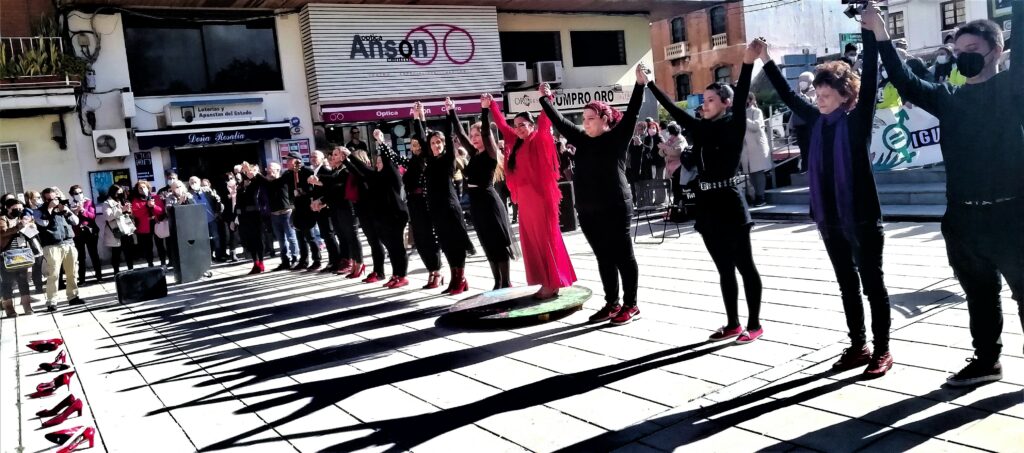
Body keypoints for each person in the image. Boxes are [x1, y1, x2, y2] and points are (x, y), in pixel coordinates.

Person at [866, 2, 1023, 386]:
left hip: (1013, 215)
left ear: (997, 51)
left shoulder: (1012, 89)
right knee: (980, 296)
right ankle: (987, 360)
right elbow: (904, 80)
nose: (963, 58)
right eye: (959, 51)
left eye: (973, 51)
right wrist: (882, 34)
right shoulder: (948, 98)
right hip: (962, 219)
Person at [759, 24, 893, 377]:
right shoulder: (816, 124)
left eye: (826, 92)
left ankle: (882, 349)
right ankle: (858, 345)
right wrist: (766, 60)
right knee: (847, 285)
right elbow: (788, 96)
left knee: (872, 285)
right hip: (829, 219)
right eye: (817, 92)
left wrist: (870, 31)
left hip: (861, 218)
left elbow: (873, 70)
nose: (819, 97)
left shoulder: (857, 119)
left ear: (845, 94)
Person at [650, 42, 765, 344]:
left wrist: (748, 61)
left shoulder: (734, 123)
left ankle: (754, 323)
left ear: (726, 103)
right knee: (724, 269)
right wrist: (648, 83)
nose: (705, 103)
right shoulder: (700, 128)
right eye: (705, 99)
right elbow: (675, 109)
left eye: (712, 99)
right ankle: (732, 323)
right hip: (707, 206)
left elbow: (741, 98)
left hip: (730, 202)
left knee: (744, 266)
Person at [537, 64, 645, 323]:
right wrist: (544, 99)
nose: (584, 123)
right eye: (583, 119)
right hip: (587, 209)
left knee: (623, 256)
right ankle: (611, 302)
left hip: (616, 206)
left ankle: (631, 304)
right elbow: (560, 121)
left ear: (605, 119)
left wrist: (640, 85)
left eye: (590, 119)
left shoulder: (618, 137)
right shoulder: (582, 139)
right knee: (603, 257)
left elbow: (632, 113)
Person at [492, 97, 578, 300]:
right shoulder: (516, 143)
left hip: (540, 200)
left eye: (523, 125)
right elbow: (503, 127)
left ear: (532, 125)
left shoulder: (538, 139)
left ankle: (552, 282)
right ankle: (546, 282)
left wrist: (546, 98)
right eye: (517, 126)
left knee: (545, 240)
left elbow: (545, 120)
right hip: (525, 202)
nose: (519, 129)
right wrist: (493, 107)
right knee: (532, 242)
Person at [449, 96, 515, 290]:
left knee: (497, 244)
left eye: (477, 135)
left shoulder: (491, 153)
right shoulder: (474, 153)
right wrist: (451, 111)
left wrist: (485, 110)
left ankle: (506, 282)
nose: (474, 138)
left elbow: (487, 131)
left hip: (489, 203)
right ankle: (497, 283)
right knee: (487, 244)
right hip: (477, 204)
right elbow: (460, 135)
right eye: (473, 135)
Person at [419, 100, 474, 295]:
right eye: (433, 143)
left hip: (450, 207)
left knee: (455, 243)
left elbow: (450, 136)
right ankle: (454, 278)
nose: (435, 145)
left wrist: (449, 111)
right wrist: (420, 116)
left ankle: (461, 278)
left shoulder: (448, 158)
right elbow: (421, 136)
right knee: (445, 244)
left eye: (438, 142)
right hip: (436, 209)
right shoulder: (430, 160)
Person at [347, 132, 411, 288]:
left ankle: (401, 275)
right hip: (383, 217)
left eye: (381, 160)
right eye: (377, 161)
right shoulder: (376, 176)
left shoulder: (392, 174)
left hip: (396, 215)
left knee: (397, 247)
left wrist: (381, 143)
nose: (378, 163)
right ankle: (395, 274)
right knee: (390, 247)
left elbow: (388, 161)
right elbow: (361, 170)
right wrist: (347, 159)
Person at [309, 146, 367, 279]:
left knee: (352, 237)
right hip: (336, 208)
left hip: (348, 207)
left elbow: (338, 187)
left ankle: (358, 263)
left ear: (343, 156)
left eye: (336, 155)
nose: (333, 157)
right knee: (343, 236)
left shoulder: (346, 169)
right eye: (333, 155)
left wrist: (319, 182)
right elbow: (332, 188)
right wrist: (322, 200)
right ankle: (350, 262)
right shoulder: (336, 170)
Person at [402, 113, 444, 288]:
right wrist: (382, 144)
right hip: (413, 203)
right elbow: (396, 159)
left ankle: (437, 272)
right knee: (418, 241)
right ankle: (430, 271)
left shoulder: (425, 159)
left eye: (418, 144)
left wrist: (419, 118)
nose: (415, 147)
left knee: (428, 239)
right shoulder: (411, 162)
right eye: (412, 145)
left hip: (424, 202)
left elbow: (422, 136)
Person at [37, 188, 85, 310]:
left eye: (55, 198)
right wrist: (49, 209)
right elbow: (43, 224)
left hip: (68, 243)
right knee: (53, 274)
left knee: (73, 272)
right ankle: (51, 301)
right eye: (49, 199)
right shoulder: (40, 211)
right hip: (52, 245)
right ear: (45, 199)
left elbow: (76, 221)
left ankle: (73, 297)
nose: (53, 201)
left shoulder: (63, 209)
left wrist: (67, 210)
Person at [284, 153, 322, 271]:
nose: (287, 162)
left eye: (289, 160)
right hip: (297, 208)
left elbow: (314, 189)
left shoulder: (307, 171)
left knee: (309, 235)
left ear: (297, 161)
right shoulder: (289, 174)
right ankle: (303, 260)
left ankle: (317, 260)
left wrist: (303, 192)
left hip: (307, 207)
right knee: (299, 235)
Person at [308, 150, 343, 272]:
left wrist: (323, 203)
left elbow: (330, 190)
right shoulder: (314, 171)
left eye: (315, 156)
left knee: (329, 234)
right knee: (325, 235)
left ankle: (336, 261)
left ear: (322, 158)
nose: (312, 158)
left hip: (325, 208)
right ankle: (332, 260)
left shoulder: (325, 171)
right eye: (311, 156)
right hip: (318, 207)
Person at [1, 198, 36, 317]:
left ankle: (27, 305)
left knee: (23, 281)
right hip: (7, 255)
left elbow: (32, 234)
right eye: (16, 208)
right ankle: (9, 307)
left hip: (22, 253)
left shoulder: (22, 218)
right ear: (8, 208)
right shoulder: (2, 218)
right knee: (7, 282)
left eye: (21, 208)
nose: (19, 210)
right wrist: (19, 226)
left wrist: (30, 226)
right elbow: (3, 232)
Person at [262, 162, 299, 270]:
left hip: (286, 213)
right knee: (280, 239)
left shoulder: (283, 180)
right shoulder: (268, 183)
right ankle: (285, 261)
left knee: (291, 237)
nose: (268, 171)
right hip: (274, 215)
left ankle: (295, 259)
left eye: (270, 169)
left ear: (278, 170)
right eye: (267, 169)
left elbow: (287, 176)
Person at [238, 163, 270, 274]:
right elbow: (237, 202)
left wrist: (254, 174)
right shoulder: (241, 184)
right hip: (245, 217)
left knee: (259, 239)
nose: (246, 173)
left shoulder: (257, 182)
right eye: (245, 171)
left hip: (257, 215)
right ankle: (255, 262)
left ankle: (261, 262)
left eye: (248, 171)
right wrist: (235, 217)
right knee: (249, 240)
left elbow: (264, 182)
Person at [741, 93, 772, 207]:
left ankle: (761, 196)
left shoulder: (756, 112)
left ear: (750, 100)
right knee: (751, 174)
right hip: (746, 148)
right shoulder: (739, 113)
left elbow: (756, 126)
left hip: (757, 147)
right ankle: (755, 195)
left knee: (758, 172)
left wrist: (744, 118)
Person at [67, 185, 102, 283]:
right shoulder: (70, 204)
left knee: (94, 254)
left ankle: (99, 276)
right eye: (76, 193)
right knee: (80, 256)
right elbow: (69, 219)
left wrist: (82, 210)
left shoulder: (89, 201)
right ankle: (82, 279)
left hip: (90, 231)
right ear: (72, 195)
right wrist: (75, 211)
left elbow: (92, 216)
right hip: (77, 233)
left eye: (80, 192)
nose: (79, 195)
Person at [100, 184, 134, 275]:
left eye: (121, 192)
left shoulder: (123, 201)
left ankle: (131, 269)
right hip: (116, 231)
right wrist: (121, 210)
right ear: (113, 192)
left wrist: (129, 210)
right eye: (118, 192)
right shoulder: (107, 203)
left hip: (126, 229)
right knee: (116, 253)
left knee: (128, 252)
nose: (120, 194)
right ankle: (116, 272)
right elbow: (108, 216)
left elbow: (130, 215)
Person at [188, 176, 223, 262]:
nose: (194, 184)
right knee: (204, 240)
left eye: (195, 182)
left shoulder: (207, 191)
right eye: (191, 183)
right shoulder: (189, 194)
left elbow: (216, 201)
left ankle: (219, 255)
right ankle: (208, 257)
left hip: (211, 218)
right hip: (199, 222)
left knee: (216, 237)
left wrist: (217, 212)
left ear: (199, 182)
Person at [129, 181, 164, 267]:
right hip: (144, 226)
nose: (142, 189)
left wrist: (153, 206)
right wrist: (146, 206)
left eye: (144, 187)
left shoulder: (155, 197)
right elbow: (136, 213)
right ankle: (150, 264)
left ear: (148, 188)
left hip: (156, 224)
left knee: (160, 244)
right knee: (148, 247)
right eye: (140, 188)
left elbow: (161, 211)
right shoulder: (136, 200)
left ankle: (163, 263)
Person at [791, 71, 816, 173]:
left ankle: (812, 168)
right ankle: (805, 167)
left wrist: (803, 96)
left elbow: (812, 101)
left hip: (808, 124)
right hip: (799, 125)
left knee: (810, 147)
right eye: (801, 80)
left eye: (805, 80)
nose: (802, 83)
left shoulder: (814, 91)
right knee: (803, 148)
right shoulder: (796, 92)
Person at [659, 123, 688, 203]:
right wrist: (666, 149)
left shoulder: (680, 139)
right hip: (670, 169)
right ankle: (676, 205)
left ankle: (679, 205)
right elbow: (661, 153)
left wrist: (666, 148)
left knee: (679, 189)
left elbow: (677, 151)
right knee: (674, 190)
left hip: (679, 167)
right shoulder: (670, 140)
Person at [24, 190, 45, 292]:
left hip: (39, 237)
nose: (39, 199)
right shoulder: (27, 211)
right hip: (33, 239)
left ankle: (39, 282)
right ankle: (38, 285)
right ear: (30, 200)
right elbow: (27, 228)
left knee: (39, 262)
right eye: (37, 197)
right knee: (37, 262)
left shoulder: (39, 209)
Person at [220, 175, 241, 262]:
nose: (230, 180)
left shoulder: (239, 187)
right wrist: (230, 195)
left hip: (239, 213)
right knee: (231, 233)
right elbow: (222, 200)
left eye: (231, 178)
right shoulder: (223, 190)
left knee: (239, 233)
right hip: (229, 215)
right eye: (228, 179)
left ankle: (246, 251)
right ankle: (232, 253)